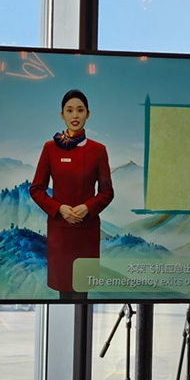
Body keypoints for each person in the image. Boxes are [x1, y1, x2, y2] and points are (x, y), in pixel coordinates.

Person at [29, 89, 113, 300]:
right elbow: (36, 189)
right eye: (69, 110)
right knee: (64, 293)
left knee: (82, 293)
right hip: (61, 232)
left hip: (86, 232)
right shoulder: (50, 148)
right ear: (62, 115)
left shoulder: (98, 150)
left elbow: (106, 192)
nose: (75, 115)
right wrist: (59, 209)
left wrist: (87, 207)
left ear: (88, 114)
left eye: (80, 110)